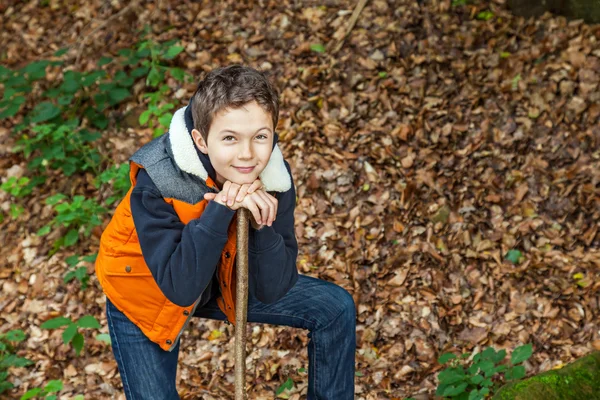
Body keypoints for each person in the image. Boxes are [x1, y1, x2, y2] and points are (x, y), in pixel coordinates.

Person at [95, 65, 356, 400]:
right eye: (230, 138)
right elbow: (180, 286)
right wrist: (219, 211)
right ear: (201, 141)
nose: (247, 154)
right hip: (147, 287)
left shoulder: (274, 179)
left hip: (221, 270)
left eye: (260, 137)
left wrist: (262, 228)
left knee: (334, 308)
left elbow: (274, 288)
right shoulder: (157, 179)